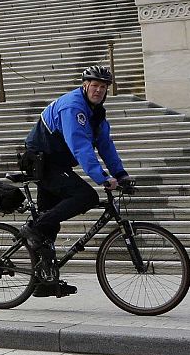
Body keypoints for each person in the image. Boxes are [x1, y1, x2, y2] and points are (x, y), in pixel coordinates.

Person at [20, 65, 131, 296]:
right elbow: (80, 145)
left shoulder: (96, 112)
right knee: (85, 196)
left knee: (50, 223)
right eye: (95, 85)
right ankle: (32, 229)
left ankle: (44, 283)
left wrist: (120, 174)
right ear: (85, 85)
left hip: (56, 162)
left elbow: (105, 144)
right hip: (43, 160)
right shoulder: (74, 107)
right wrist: (102, 178)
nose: (99, 90)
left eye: (103, 87)